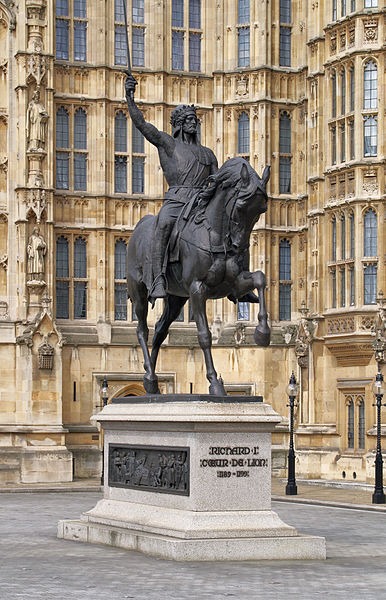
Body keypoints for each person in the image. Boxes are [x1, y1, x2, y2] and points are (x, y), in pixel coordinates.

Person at [125, 74, 218, 302]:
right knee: (163, 224)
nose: (192, 123)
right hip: (177, 201)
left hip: (200, 203)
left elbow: (216, 181)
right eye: (187, 119)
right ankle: (157, 280)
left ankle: (237, 282)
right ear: (178, 124)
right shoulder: (169, 144)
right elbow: (142, 125)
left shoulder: (208, 153)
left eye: (194, 119)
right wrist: (129, 97)